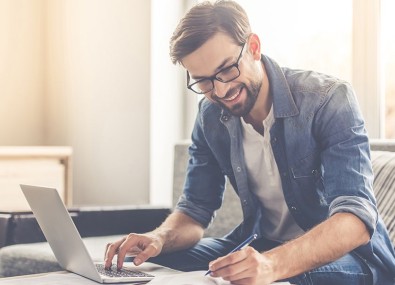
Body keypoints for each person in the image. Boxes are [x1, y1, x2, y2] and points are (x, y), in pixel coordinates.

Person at [104, 1, 395, 284]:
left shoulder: (328, 99)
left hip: (352, 258)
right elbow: (195, 210)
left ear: (254, 47)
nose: (220, 90)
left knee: (273, 275)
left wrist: (271, 265)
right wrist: (159, 238)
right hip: (262, 245)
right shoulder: (210, 115)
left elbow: (355, 220)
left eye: (227, 69)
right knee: (148, 263)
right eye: (203, 81)